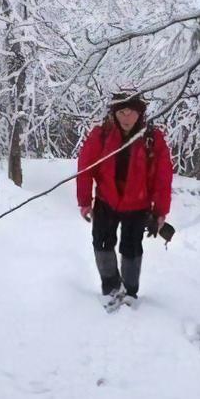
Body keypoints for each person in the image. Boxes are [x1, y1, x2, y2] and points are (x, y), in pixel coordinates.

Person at [76, 88, 173, 302]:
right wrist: (84, 202)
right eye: (121, 112)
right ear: (114, 113)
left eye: (131, 112)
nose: (126, 117)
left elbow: (163, 178)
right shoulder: (101, 136)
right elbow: (85, 168)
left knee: (131, 249)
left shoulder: (152, 139)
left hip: (138, 206)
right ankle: (111, 287)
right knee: (102, 243)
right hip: (105, 201)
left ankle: (129, 293)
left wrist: (160, 211)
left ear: (140, 113)